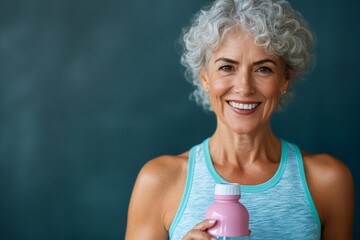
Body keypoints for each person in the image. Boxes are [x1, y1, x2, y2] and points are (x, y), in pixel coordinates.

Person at [125, 0, 354, 239]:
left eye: (263, 69)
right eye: (227, 67)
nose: (244, 88)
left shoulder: (328, 181)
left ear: (284, 80)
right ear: (205, 78)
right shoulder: (159, 181)